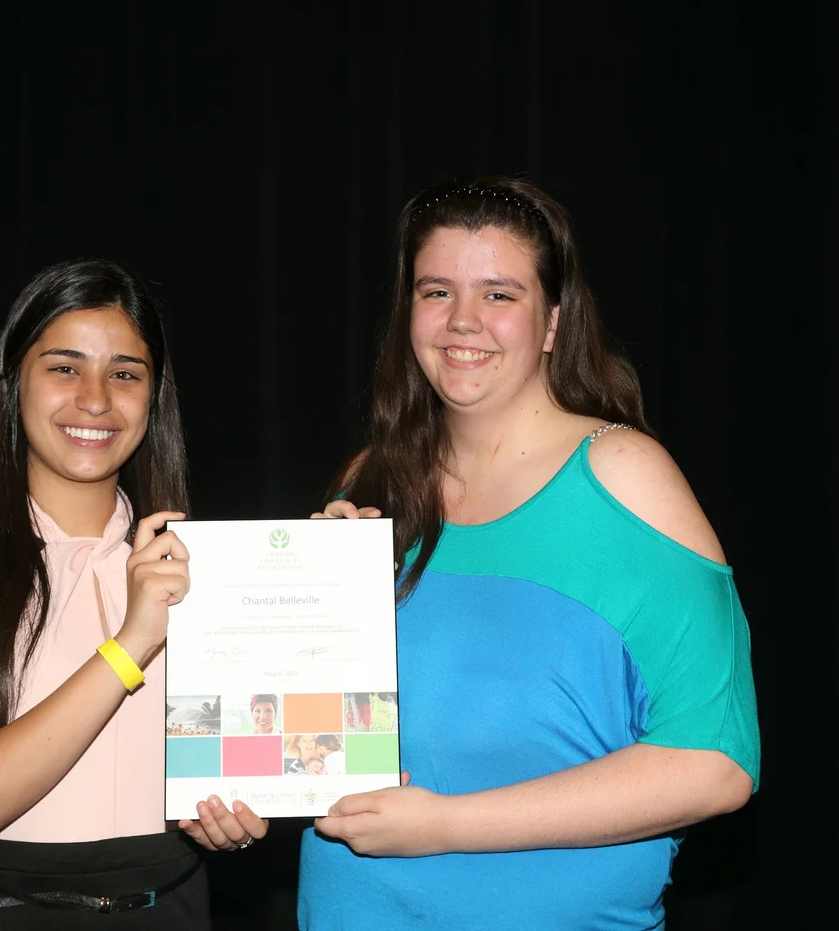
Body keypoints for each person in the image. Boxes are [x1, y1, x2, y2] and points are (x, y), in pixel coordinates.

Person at [299, 177, 761, 929]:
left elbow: (715, 765)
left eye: (500, 295)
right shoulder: (371, 480)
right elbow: (318, 735)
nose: (463, 322)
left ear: (552, 322)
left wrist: (444, 827)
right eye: (436, 291)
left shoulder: (624, 475)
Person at [0, 259, 268, 929]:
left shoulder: (208, 567)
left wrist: (337, 565)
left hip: (168, 905)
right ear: (13, 383)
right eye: (64, 367)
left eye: (124, 372)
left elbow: (257, 759)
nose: (95, 398)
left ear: (154, 396)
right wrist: (132, 644)